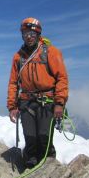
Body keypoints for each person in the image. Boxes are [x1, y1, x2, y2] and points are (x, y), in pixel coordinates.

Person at [6, 17, 68, 168]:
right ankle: (31, 163)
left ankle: (48, 163)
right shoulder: (18, 57)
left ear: (38, 34)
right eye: (26, 33)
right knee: (30, 137)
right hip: (26, 102)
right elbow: (13, 83)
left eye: (32, 33)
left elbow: (62, 78)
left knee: (44, 137)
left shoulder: (51, 53)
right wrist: (12, 106)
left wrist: (59, 103)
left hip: (47, 101)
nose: (29, 36)